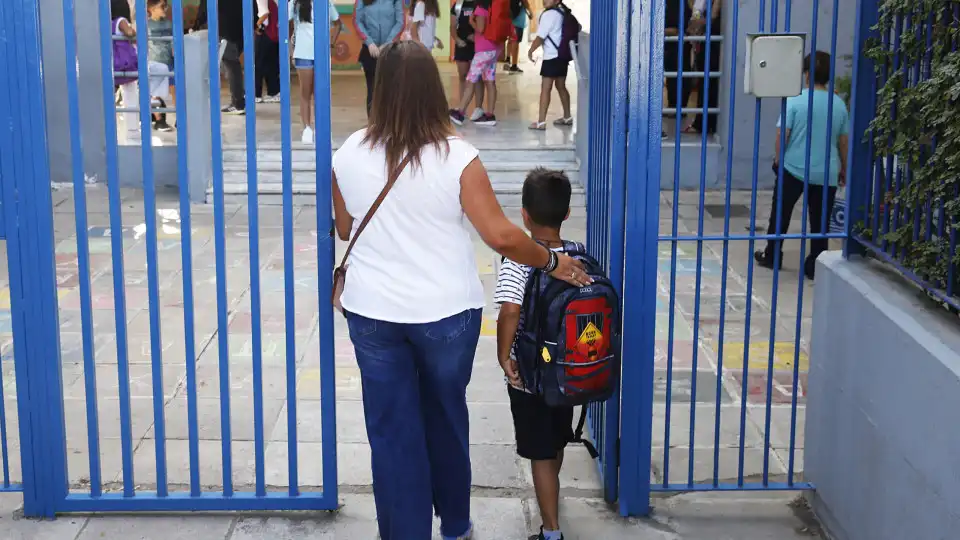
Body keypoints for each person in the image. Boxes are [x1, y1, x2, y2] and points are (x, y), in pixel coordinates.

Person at [331, 41, 589, 540]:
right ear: (433, 90)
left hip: (373, 315)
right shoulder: (458, 157)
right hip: (447, 316)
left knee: (391, 433)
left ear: (379, 90)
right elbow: (501, 235)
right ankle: (454, 526)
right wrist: (552, 262)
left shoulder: (349, 152)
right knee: (446, 417)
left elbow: (344, 228)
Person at [494, 168, 576, 540]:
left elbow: (510, 311)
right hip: (566, 372)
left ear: (524, 214)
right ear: (567, 213)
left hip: (531, 375)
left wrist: (503, 355)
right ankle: (551, 497)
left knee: (540, 452)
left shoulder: (520, 260)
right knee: (555, 440)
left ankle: (551, 531)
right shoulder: (575, 256)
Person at [755, 51, 849, 280]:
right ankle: (815, 264)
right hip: (825, 172)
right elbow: (843, 141)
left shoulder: (795, 101)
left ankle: (773, 255)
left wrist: (779, 159)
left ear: (806, 74)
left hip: (793, 168)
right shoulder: (838, 104)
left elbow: (782, 134)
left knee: (781, 214)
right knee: (820, 222)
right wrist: (843, 168)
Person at [112, 0, 171, 139]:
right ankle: (150, 99)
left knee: (129, 94)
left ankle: (132, 129)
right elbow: (130, 33)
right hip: (129, 64)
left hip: (117, 65)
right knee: (161, 69)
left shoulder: (107, 24)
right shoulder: (121, 21)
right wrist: (133, 29)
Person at [291, 0, 342, 143]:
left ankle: (322, 128)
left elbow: (338, 23)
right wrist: (291, 49)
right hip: (303, 53)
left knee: (320, 93)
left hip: (322, 54)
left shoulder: (326, 3)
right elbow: (286, 24)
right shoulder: (295, 4)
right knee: (305, 92)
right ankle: (307, 128)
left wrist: (331, 42)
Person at [449, 0, 500, 126]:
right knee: (490, 80)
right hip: (493, 48)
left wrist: (472, 22)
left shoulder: (480, 8)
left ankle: (460, 113)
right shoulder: (492, 6)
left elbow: (481, 29)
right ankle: (490, 115)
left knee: (471, 80)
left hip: (482, 50)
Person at [526, 0, 572, 130]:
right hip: (562, 55)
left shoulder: (548, 15)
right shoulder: (562, 12)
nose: (545, 0)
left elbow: (540, 37)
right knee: (561, 86)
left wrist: (530, 50)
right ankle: (567, 117)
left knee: (546, 89)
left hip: (551, 56)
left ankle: (541, 122)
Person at [354, 0, 405, 116]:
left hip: (391, 50)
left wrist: (388, 43)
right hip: (370, 50)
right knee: (372, 89)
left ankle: (392, 126)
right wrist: (369, 42)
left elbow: (400, 22)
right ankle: (373, 126)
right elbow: (357, 21)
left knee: (392, 90)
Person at [451, 0, 485, 122]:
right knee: (463, 76)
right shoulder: (458, 6)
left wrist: (478, 39)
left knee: (477, 77)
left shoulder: (479, 4)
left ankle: (478, 108)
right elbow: (453, 26)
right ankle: (462, 109)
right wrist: (457, 39)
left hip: (477, 45)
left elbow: (484, 25)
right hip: (462, 45)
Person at [147, 0, 176, 132]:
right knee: (155, 93)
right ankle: (159, 121)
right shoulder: (145, 25)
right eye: (162, 6)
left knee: (175, 89)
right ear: (151, 8)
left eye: (166, 6)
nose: (165, 8)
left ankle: (179, 118)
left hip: (170, 60)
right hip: (155, 61)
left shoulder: (169, 23)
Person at [254, 0, 281, 105]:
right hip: (274, 36)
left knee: (258, 64)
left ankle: (256, 94)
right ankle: (274, 92)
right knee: (271, 65)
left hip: (265, 34)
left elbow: (264, 14)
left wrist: (256, 26)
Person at [504, 0, 532, 73]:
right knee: (515, 43)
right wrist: (530, 12)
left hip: (510, 19)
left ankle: (508, 59)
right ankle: (514, 66)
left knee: (510, 40)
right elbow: (525, 2)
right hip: (518, 21)